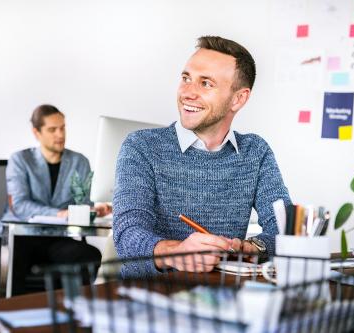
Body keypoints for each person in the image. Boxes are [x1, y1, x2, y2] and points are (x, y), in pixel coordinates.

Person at [113, 36, 291, 277]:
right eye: (186, 78)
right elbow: (127, 234)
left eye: (206, 84)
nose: (188, 92)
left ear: (238, 99)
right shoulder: (142, 146)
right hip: (148, 298)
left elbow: (285, 229)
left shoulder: (255, 152)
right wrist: (177, 253)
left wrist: (253, 248)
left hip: (223, 298)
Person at [0, 104, 110, 294]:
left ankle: (73, 315)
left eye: (63, 127)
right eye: (52, 129)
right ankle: (15, 316)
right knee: (7, 258)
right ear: (36, 133)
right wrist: (60, 213)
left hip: (55, 237)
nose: (60, 134)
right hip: (18, 236)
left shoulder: (79, 162)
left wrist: (95, 209)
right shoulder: (20, 160)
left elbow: (81, 204)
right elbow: (19, 206)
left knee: (89, 255)